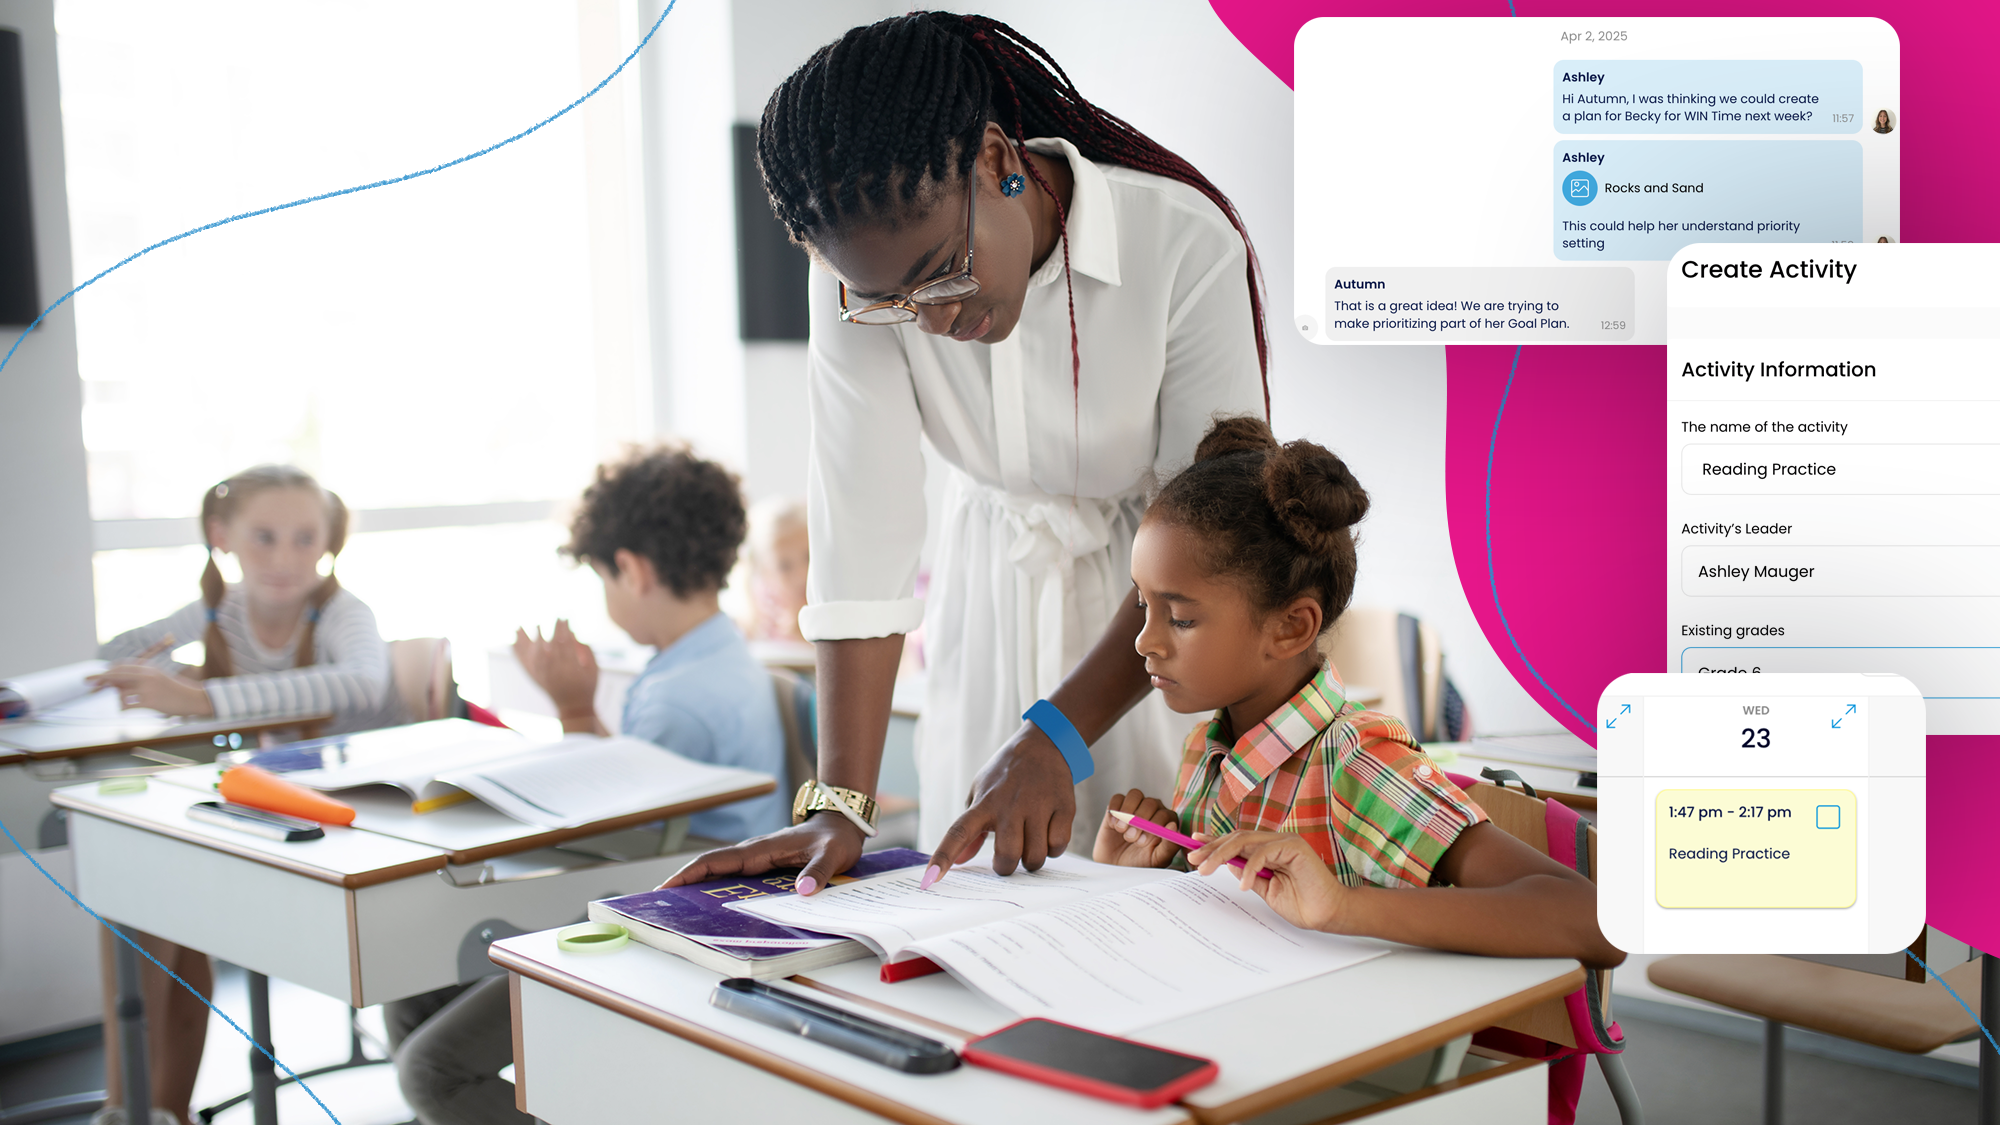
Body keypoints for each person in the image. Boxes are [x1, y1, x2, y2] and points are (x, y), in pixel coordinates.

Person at [668, 11, 1268, 900]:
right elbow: (860, 531)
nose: (934, 318)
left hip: (1165, 624)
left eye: (943, 272)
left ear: (997, 161)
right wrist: (840, 804)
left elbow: (1218, 539)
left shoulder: (1185, 244)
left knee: (1162, 908)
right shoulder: (860, 275)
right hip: (988, 604)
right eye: (892, 301)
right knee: (978, 919)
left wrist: (1056, 735)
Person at [1093, 416, 1622, 972]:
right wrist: (1135, 878)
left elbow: (1597, 922)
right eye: (1142, 607)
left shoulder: (1359, 768)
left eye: (1178, 618)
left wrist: (1342, 906)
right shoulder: (1207, 750)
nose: (1144, 640)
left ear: (1291, 628)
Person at [392, 445, 788, 1125]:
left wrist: (574, 710)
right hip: (671, 894)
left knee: (431, 1070)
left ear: (630, 569)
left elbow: (626, 826)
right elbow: (646, 792)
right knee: (413, 992)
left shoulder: (679, 697)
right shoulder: (714, 655)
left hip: (666, 922)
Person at [91, 465, 397, 1125]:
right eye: (264, 537)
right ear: (221, 536)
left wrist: (203, 696)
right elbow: (112, 656)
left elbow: (363, 683)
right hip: (263, 815)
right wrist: (182, 668)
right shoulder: (216, 611)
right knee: (144, 898)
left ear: (329, 541)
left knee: (159, 896)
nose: (285, 557)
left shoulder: (344, 613)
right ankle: (143, 1109)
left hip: (359, 826)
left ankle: (139, 1108)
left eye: (303, 537)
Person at [738, 495, 811, 642]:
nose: (802, 575)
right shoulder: (758, 624)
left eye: (808, 557)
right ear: (766, 573)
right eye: (784, 566)